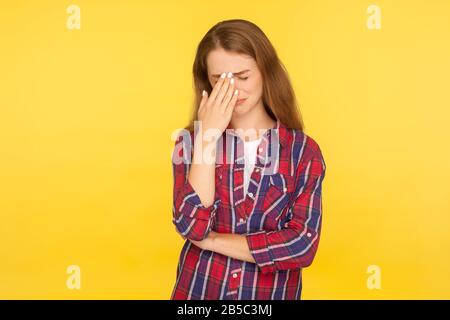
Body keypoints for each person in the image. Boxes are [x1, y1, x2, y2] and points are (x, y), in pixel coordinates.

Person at [170, 19, 326, 300]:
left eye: (242, 77)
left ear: (266, 72)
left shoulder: (303, 152)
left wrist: (213, 240)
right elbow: (192, 226)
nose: (233, 90)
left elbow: (302, 245)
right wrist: (208, 137)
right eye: (220, 80)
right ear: (207, 81)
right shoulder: (190, 143)